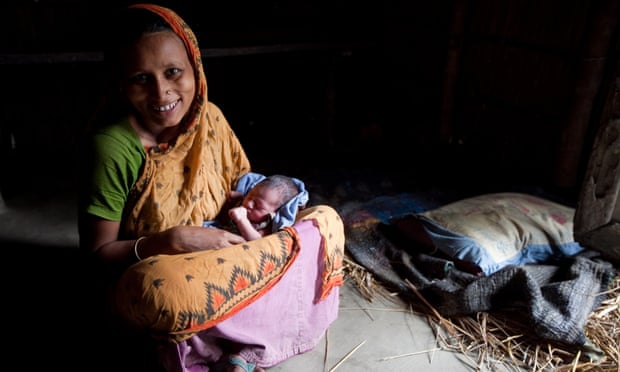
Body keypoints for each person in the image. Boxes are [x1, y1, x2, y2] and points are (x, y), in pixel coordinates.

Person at [77, 4, 344, 372]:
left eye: (173, 72)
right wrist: (172, 241)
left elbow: (241, 187)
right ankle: (248, 331)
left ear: (194, 69)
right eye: (141, 78)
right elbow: (96, 256)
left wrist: (264, 214)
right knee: (161, 290)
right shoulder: (113, 146)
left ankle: (232, 343)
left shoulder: (209, 117)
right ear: (121, 83)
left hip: (228, 248)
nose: (161, 91)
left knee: (324, 224)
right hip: (164, 268)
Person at [221, 173, 308, 241]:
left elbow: (256, 240)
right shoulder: (244, 202)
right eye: (250, 196)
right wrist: (238, 197)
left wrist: (242, 220)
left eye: (257, 205)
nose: (249, 204)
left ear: (273, 213)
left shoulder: (266, 225)